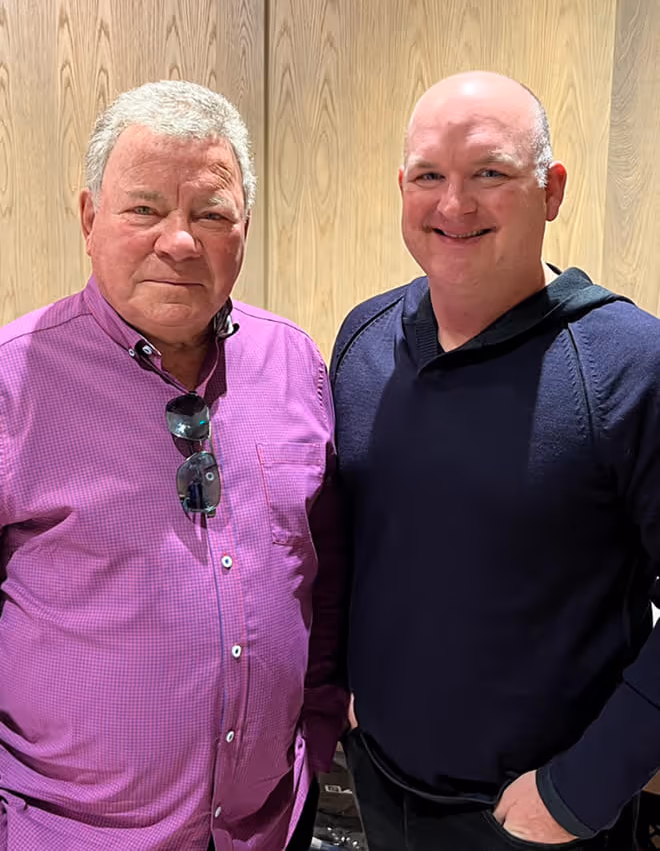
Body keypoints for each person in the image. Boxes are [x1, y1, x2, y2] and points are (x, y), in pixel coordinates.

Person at [0, 80, 348, 850]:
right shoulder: (12, 382)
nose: (181, 242)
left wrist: (318, 730)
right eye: (145, 209)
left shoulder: (296, 364)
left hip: (268, 827)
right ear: (89, 218)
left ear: (244, 228)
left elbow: (325, 571)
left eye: (211, 214)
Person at [330, 70, 660, 850]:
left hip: (534, 822)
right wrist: (343, 687)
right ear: (401, 188)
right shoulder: (362, 341)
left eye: (489, 173)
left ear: (552, 190)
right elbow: (353, 547)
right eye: (428, 176)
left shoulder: (630, 364)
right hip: (378, 783)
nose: (454, 205)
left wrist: (578, 794)